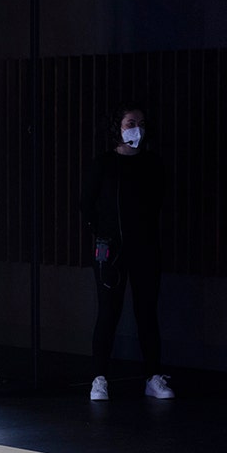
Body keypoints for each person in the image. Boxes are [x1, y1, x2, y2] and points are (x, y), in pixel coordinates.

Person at [81, 103, 173, 401]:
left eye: (142, 123)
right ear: (118, 127)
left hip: (146, 249)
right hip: (111, 252)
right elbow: (86, 204)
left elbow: (159, 204)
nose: (138, 128)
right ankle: (98, 379)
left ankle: (153, 377)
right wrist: (101, 235)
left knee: (147, 313)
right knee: (108, 313)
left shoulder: (153, 164)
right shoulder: (103, 164)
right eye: (131, 122)